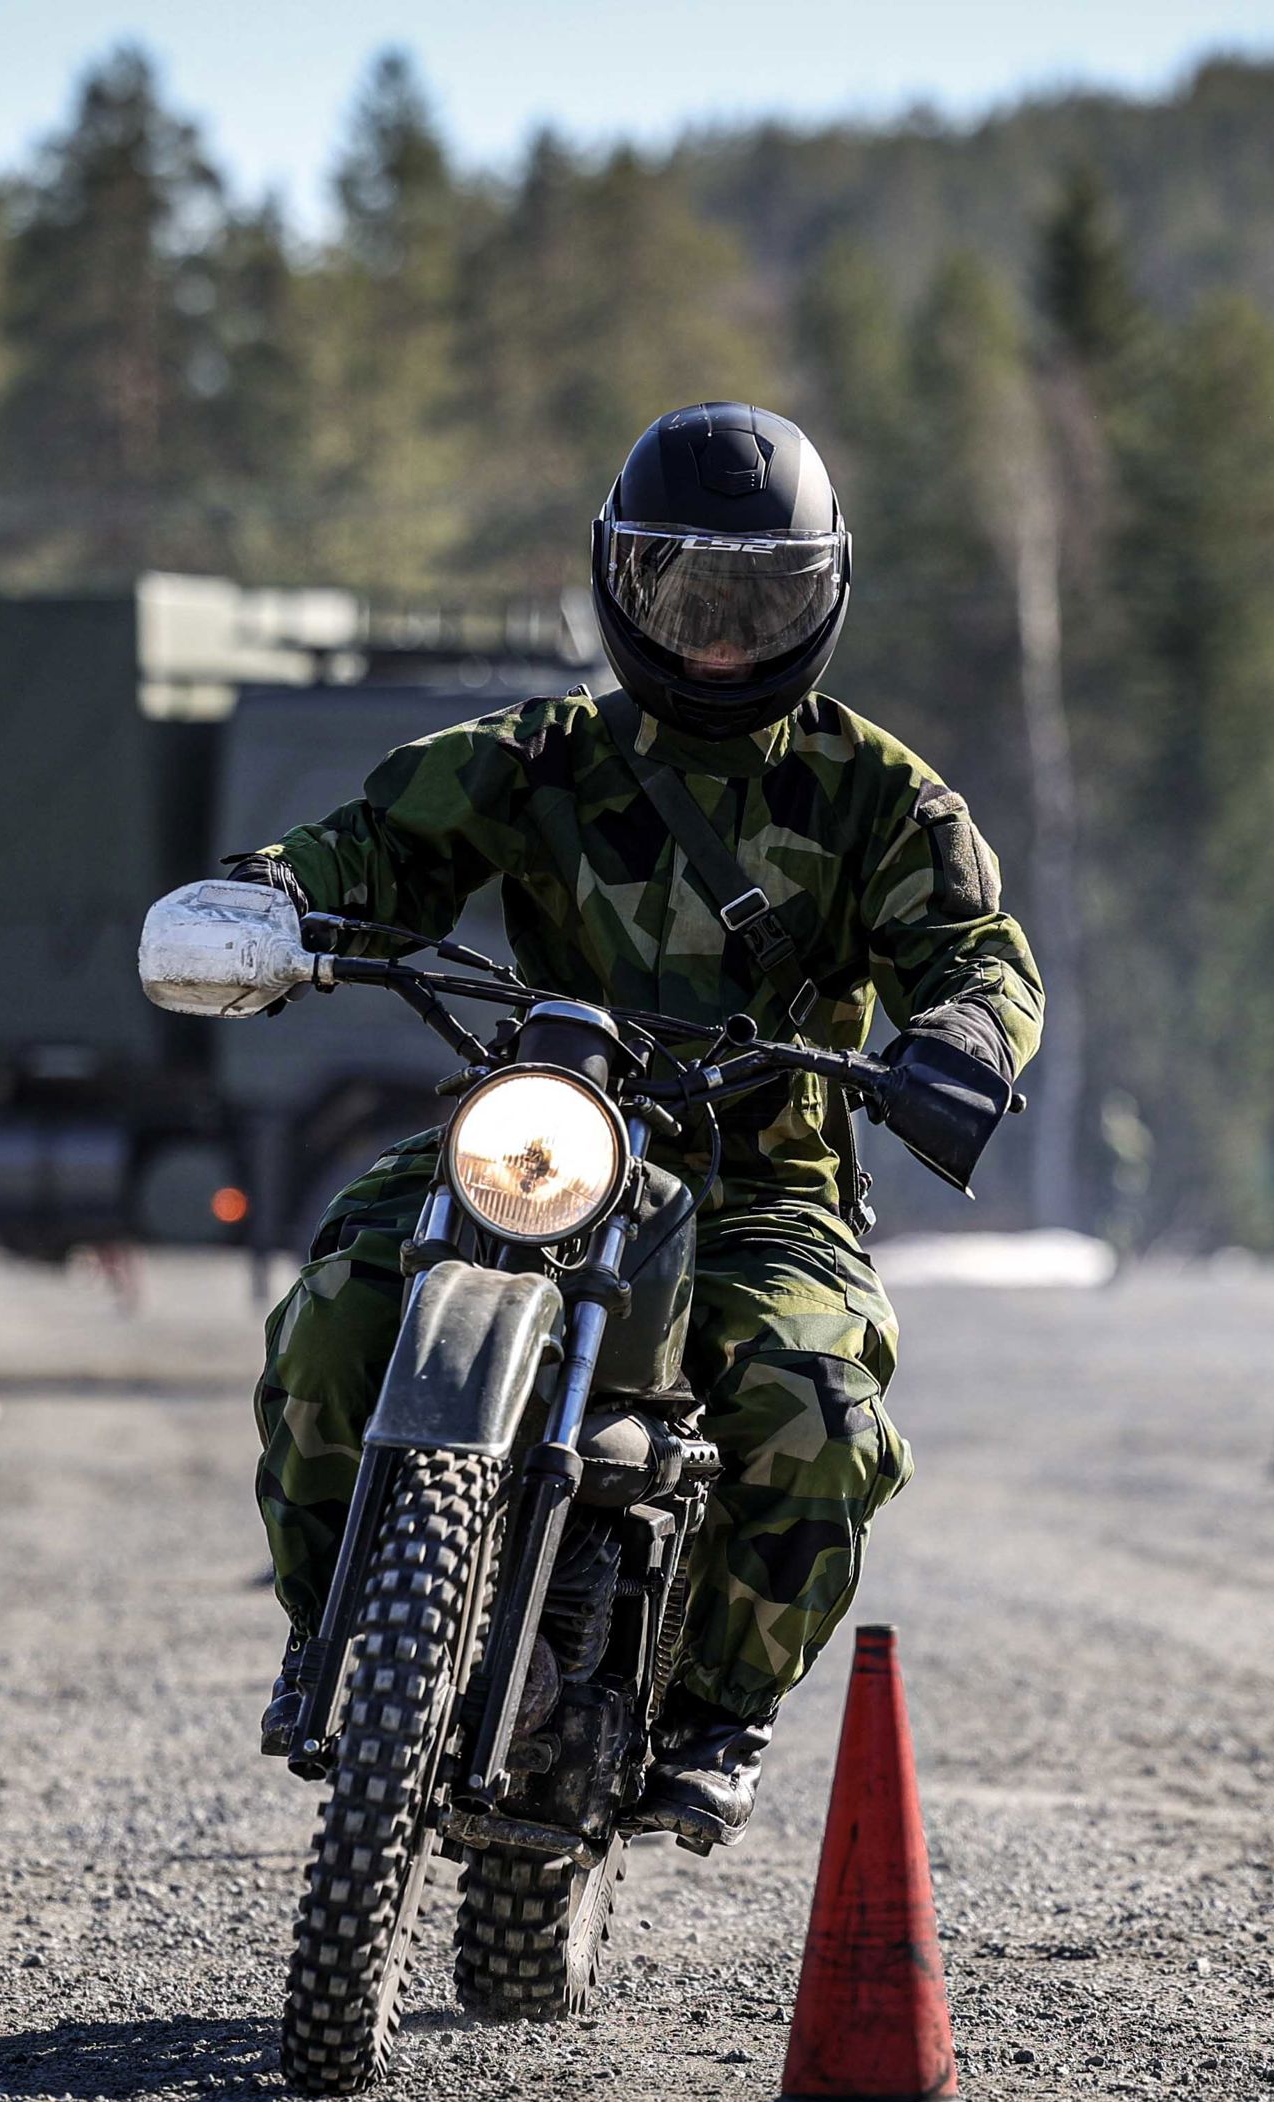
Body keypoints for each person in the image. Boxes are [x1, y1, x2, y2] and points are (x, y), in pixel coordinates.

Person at [216, 401, 1040, 1846]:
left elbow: (977, 950)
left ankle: (723, 1704)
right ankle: (332, 1631)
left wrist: (963, 1038)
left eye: (756, 601)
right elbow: (384, 845)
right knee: (335, 1311)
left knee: (813, 1400)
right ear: (618, 582)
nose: (716, 638)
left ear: (822, 598)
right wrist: (276, 900)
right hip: (536, 1144)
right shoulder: (540, 754)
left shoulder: (879, 800)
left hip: (758, 1186)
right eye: (683, 593)